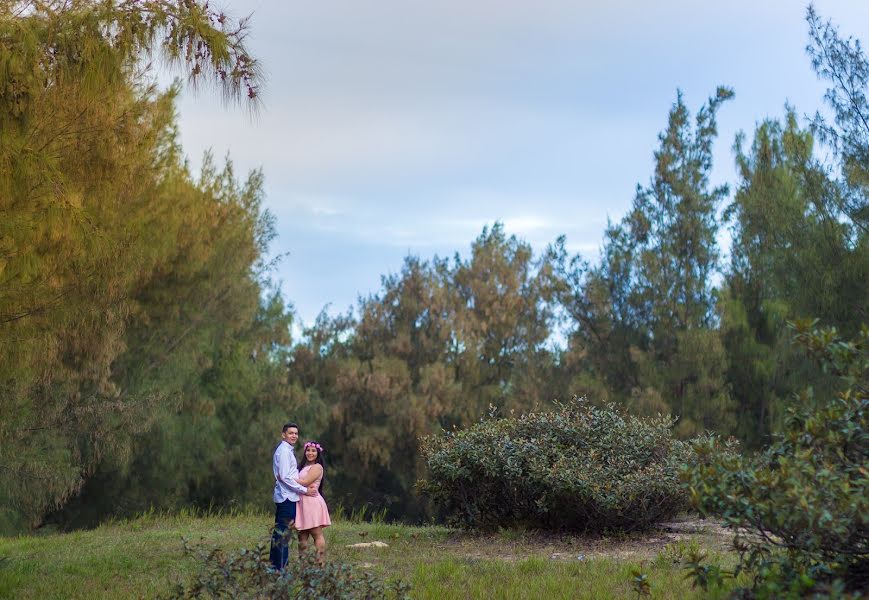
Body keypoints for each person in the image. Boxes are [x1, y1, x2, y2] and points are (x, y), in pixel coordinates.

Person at [270, 422, 316, 571]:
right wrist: (303, 490)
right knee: (283, 534)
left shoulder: (287, 450)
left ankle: (275, 566)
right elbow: (284, 477)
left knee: (281, 533)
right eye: (291, 433)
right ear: (283, 434)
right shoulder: (283, 451)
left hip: (288, 496)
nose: (294, 436)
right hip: (287, 497)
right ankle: (279, 568)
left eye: (296, 433)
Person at [294, 441, 332, 562]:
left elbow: (305, 482)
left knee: (316, 533)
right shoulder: (302, 467)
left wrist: (287, 478)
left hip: (311, 502)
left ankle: (320, 563)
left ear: (318, 453)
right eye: (308, 450)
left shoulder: (317, 467)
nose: (310, 453)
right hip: (302, 502)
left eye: (313, 451)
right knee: (302, 535)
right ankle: (303, 564)